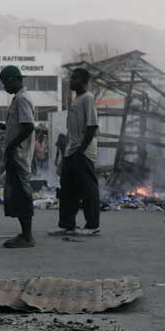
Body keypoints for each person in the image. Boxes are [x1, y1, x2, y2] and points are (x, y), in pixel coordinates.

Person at [50, 68, 101, 237]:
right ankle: (66, 224)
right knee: (67, 189)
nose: (71, 81)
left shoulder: (87, 98)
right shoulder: (76, 99)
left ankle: (92, 225)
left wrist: (81, 150)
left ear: (83, 81)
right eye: (71, 78)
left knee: (87, 189)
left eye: (74, 78)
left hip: (82, 151)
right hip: (72, 150)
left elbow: (92, 126)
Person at [0, 65, 36, 249]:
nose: (4, 87)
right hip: (16, 154)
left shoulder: (22, 99)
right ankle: (25, 234)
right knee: (18, 194)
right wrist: (3, 127)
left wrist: (11, 146)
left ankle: (27, 237)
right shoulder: (18, 99)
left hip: (18, 154)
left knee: (21, 194)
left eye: (4, 83)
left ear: (13, 80)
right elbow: (19, 126)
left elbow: (28, 127)